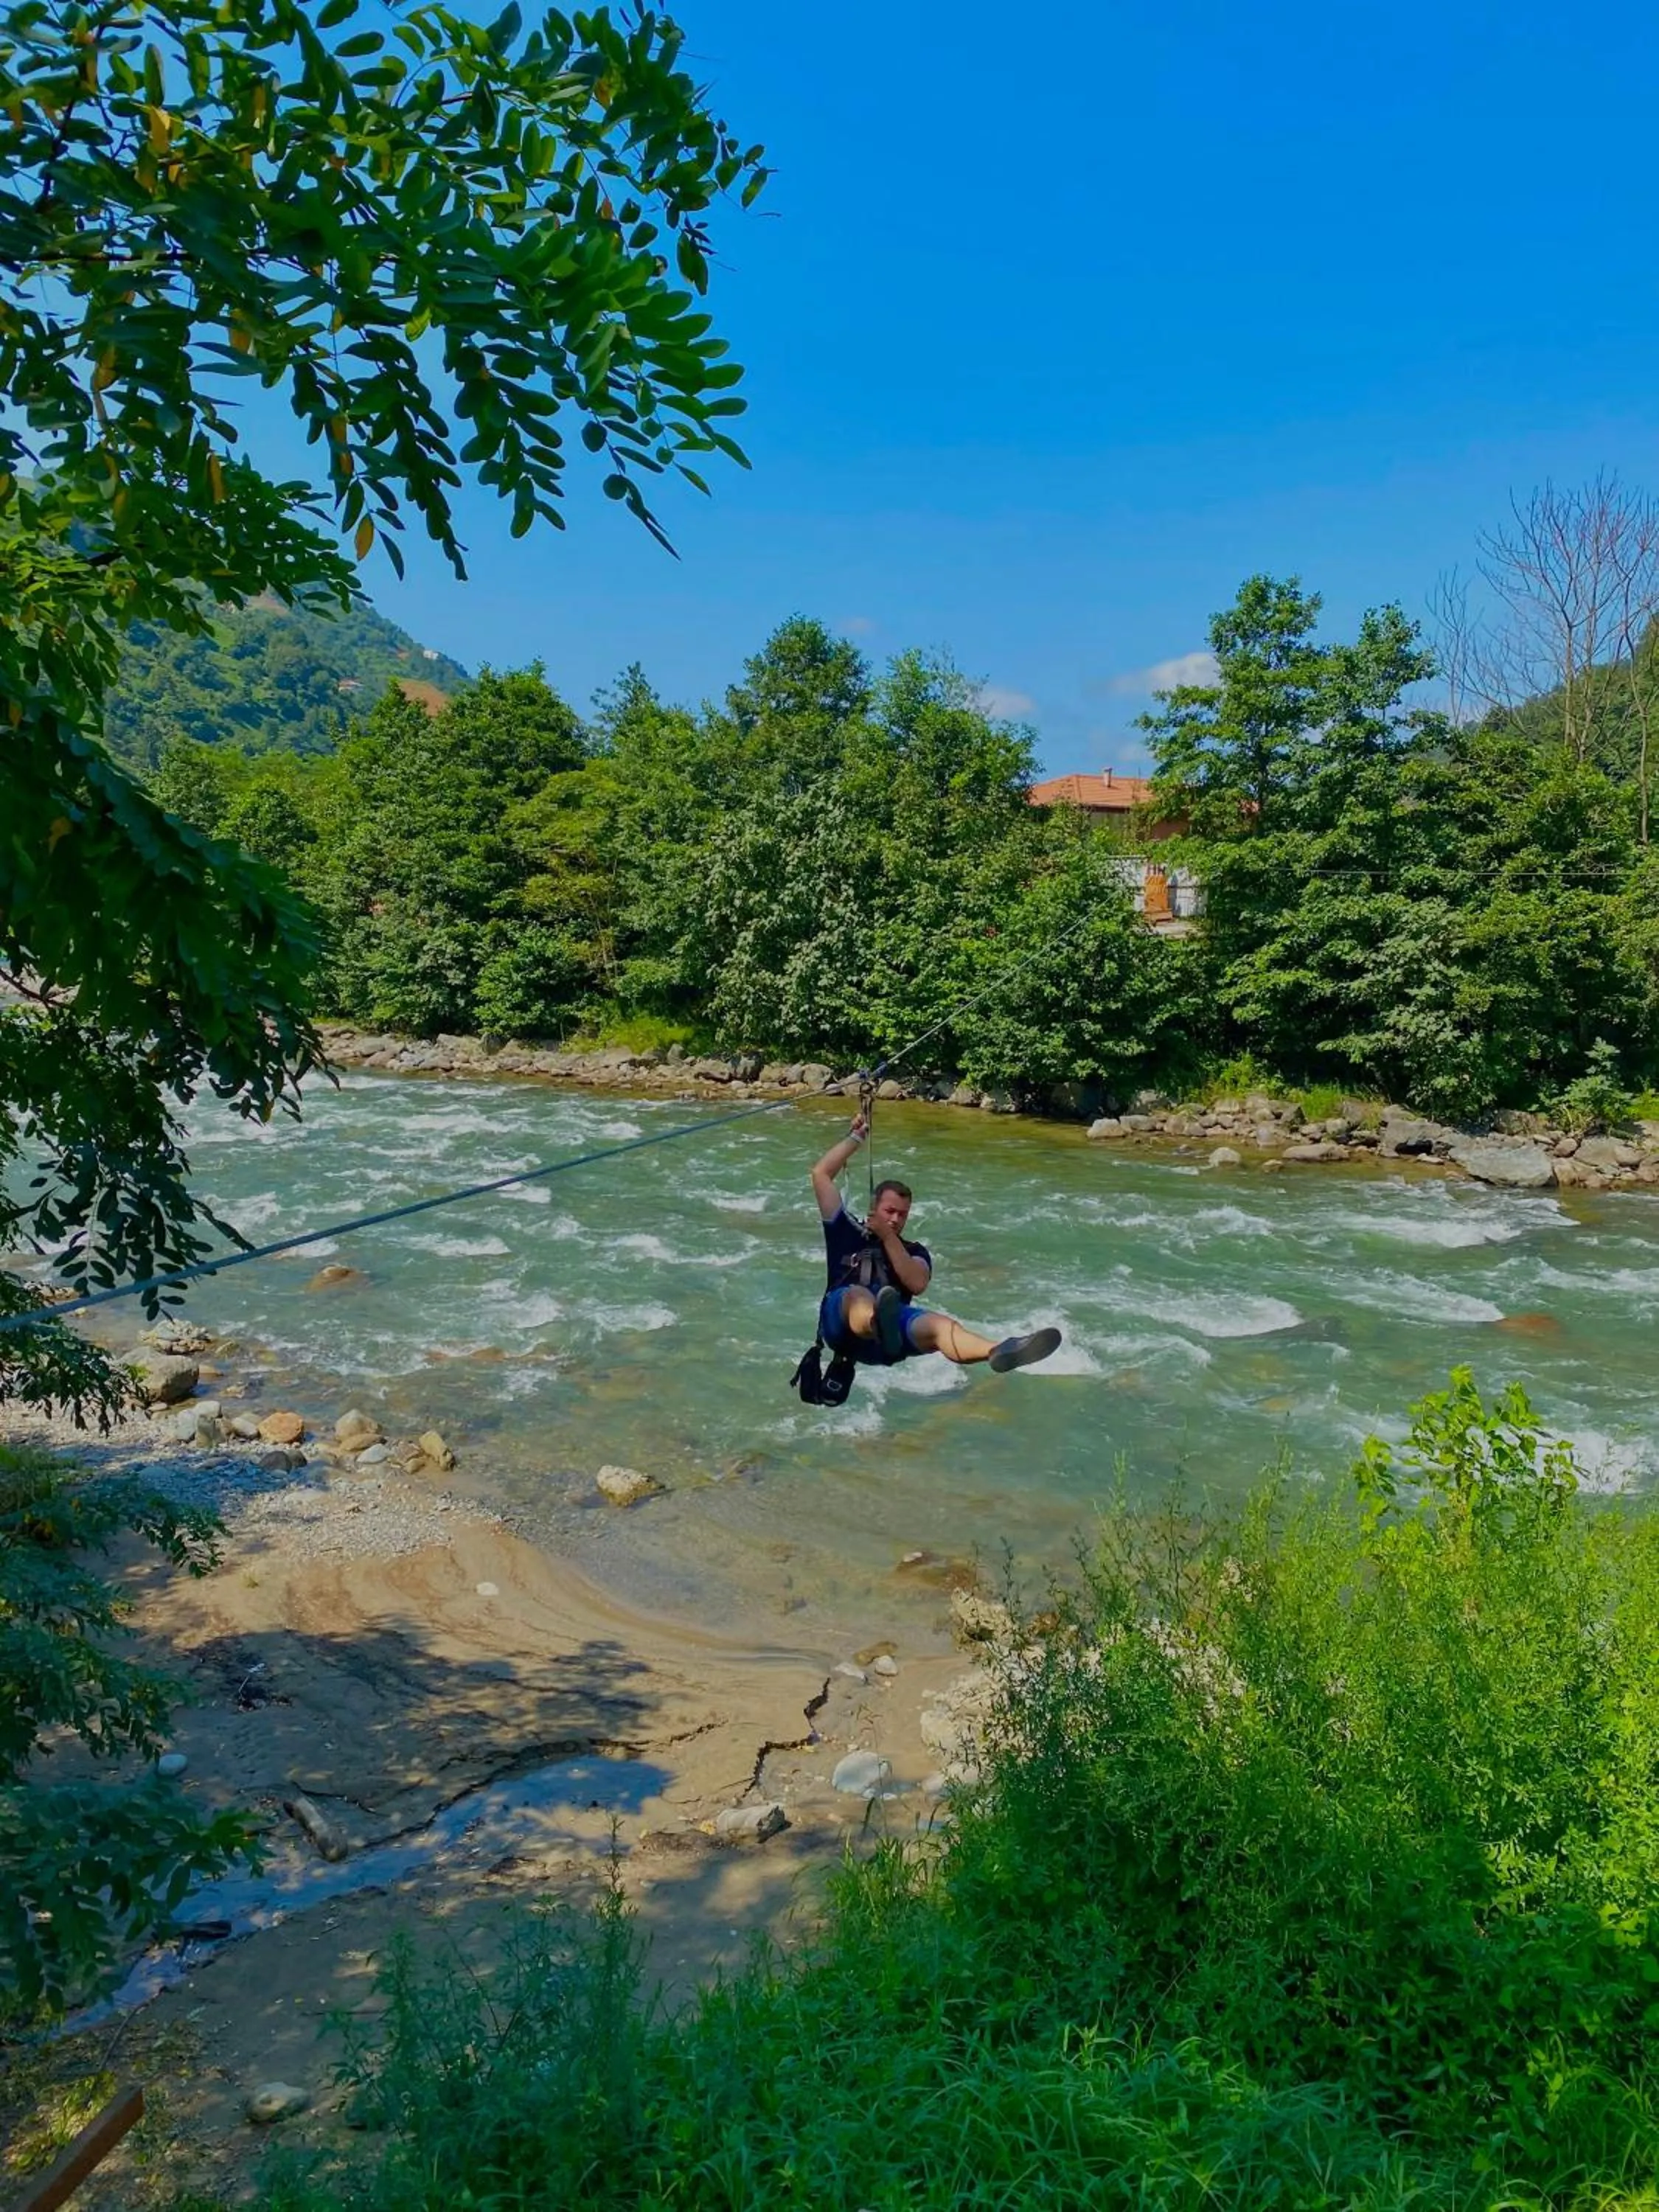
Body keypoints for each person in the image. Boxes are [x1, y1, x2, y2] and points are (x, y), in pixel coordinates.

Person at [809, 1115, 1062, 1374]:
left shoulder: (915, 1252)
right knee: (857, 1296)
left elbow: (917, 1283)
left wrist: (888, 1237)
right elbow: (821, 1175)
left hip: (890, 1336)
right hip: (840, 1325)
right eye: (890, 1211)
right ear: (874, 1207)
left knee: (940, 1325)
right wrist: (856, 1138)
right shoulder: (845, 1228)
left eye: (903, 1214)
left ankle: (997, 1351)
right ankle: (876, 1321)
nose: (896, 1219)